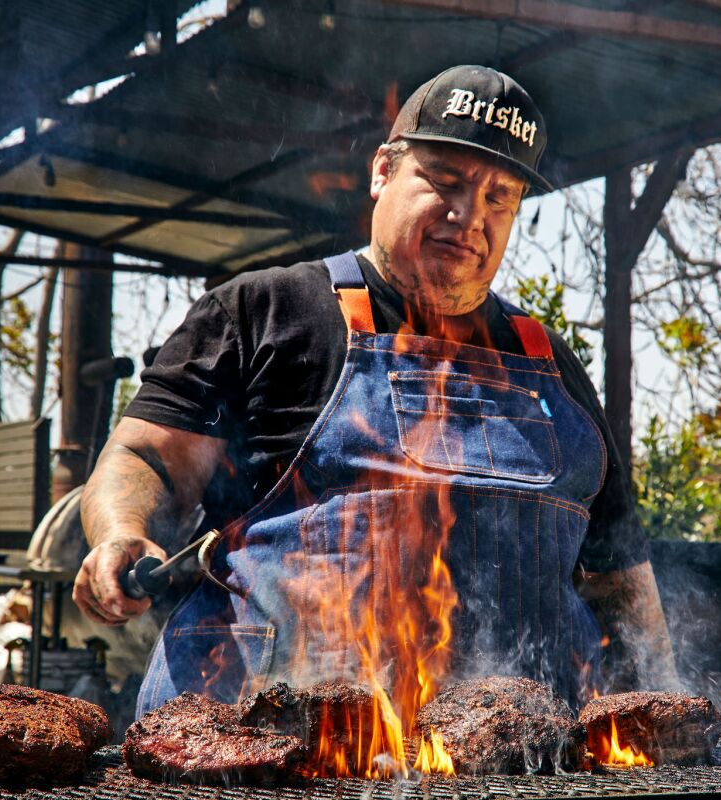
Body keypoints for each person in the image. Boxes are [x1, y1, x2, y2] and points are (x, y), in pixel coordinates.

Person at [73, 65, 680, 717]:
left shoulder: (548, 362)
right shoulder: (266, 312)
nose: (467, 215)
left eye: (499, 197)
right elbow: (148, 458)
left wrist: (662, 708)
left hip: (506, 765)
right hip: (262, 746)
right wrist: (120, 532)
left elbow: (620, 577)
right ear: (383, 171)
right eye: (444, 180)